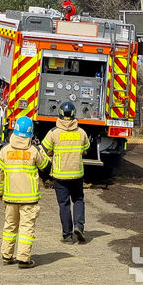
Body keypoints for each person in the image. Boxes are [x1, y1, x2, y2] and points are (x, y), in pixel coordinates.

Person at [0, 116, 50, 269]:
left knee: (10, 226)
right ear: (31, 133)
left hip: (10, 198)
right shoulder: (33, 151)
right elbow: (45, 166)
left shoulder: (5, 151)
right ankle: (23, 259)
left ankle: (6, 255)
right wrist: (41, 149)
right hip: (29, 199)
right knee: (26, 228)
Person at [41, 100, 90, 243]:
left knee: (64, 204)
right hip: (77, 175)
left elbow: (44, 150)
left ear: (60, 114)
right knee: (78, 200)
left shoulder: (53, 133)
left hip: (60, 176)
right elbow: (86, 150)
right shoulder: (81, 133)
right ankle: (79, 226)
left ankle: (67, 235)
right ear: (74, 114)